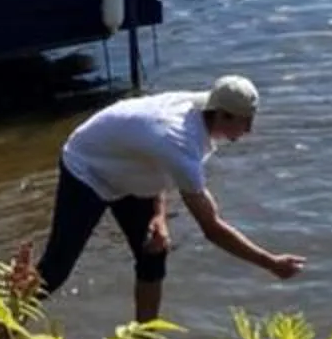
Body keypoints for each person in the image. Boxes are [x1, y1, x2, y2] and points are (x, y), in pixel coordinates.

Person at [28, 73, 305, 323]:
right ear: (221, 115)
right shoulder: (180, 143)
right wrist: (271, 263)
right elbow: (212, 228)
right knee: (55, 270)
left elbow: (153, 158)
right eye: (246, 122)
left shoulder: (199, 114)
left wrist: (158, 218)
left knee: (154, 253)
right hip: (89, 166)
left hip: (129, 163)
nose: (249, 131)